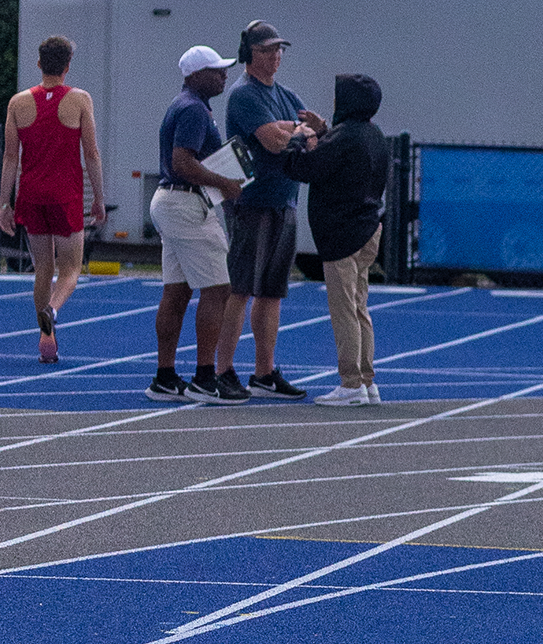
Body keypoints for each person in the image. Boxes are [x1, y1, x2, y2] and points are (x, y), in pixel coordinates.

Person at [217, 20, 322, 403]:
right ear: (250, 54)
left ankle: (264, 371)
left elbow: (313, 137)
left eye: (280, 49)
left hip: (284, 200)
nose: (277, 56)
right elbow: (276, 143)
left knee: (272, 292)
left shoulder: (285, 93)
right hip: (251, 203)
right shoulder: (245, 95)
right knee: (240, 288)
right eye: (268, 50)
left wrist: (293, 132)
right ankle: (224, 370)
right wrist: (295, 133)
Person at [271, 74, 392, 406]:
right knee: (359, 307)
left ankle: (351, 384)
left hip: (343, 233)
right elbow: (339, 158)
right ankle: (367, 382)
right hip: (368, 228)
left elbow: (304, 168)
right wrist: (323, 131)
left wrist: (297, 138)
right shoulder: (373, 134)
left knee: (344, 311)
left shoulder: (347, 137)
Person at [146, 46, 244, 404]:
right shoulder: (193, 110)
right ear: (194, 75)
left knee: (177, 290)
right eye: (215, 70)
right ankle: (204, 377)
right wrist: (224, 182)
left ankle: (165, 376)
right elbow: (182, 162)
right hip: (186, 202)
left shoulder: (186, 104)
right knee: (219, 288)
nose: (223, 75)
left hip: (171, 200)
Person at [0, 36, 104, 364]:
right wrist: (99, 198)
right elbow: (91, 153)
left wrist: (5, 203)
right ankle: (52, 311)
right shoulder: (79, 100)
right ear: (68, 66)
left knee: (42, 268)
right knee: (71, 269)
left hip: (31, 195)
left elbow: (10, 158)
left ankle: (47, 340)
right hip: (66, 195)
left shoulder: (18, 103)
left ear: (39, 63)